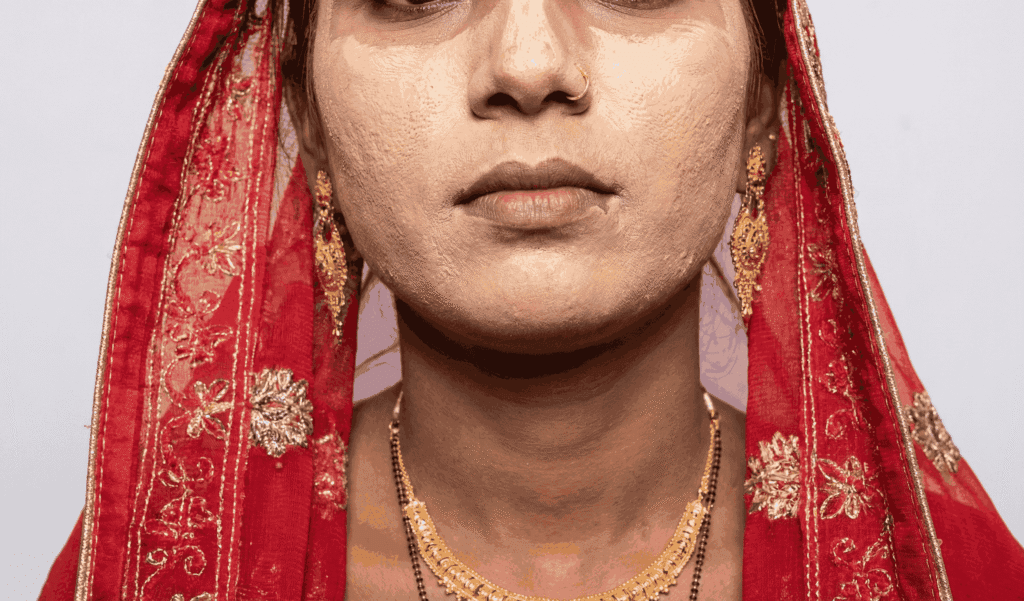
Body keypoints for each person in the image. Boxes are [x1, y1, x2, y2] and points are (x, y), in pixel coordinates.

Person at [39, 0, 1023, 599]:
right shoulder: (161, 566)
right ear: (308, 110)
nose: (527, 66)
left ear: (763, 94)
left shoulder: (944, 575)